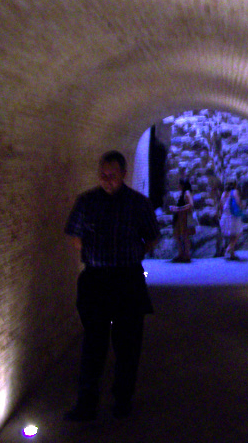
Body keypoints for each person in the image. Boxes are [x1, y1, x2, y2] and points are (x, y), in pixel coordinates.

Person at [63, 150, 160, 422]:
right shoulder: (87, 202)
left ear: (123, 174)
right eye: (103, 175)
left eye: (112, 176)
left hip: (127, 280)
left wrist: (133, 253)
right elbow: (74, 234)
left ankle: (122, 400)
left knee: (127, 344)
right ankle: (87, 402)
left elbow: (152, 237)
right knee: (93, 343)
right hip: (96, 280)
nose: (107, 180)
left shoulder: (138, 204)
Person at [169, 178, 195, 263]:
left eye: (179, 184)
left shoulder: (187, 193)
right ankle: (181, 254)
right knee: (178, 235)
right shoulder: (183, 193)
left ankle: (186, 255)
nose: (178, 186)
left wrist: (178, 209)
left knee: (185, 236)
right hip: (181, 217)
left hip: (185, 217)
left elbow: (190, 205)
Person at [219, 181, 244, 260]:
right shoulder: (234, 192)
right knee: (238, 233)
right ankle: (229, 248)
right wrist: (242, 206)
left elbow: (221, 204)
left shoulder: (224, 193)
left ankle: (232, 254)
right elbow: (238, 201)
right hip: (233, 215)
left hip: (226, 215)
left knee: (231, 235)